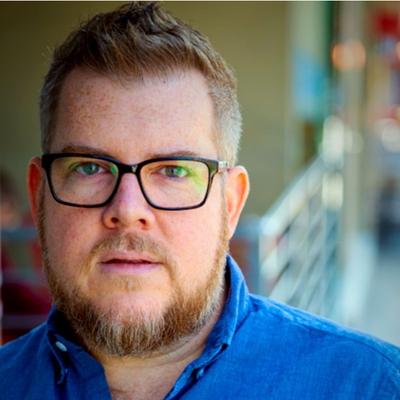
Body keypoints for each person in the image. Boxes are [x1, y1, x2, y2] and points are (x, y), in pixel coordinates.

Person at [0, 3, 399, 399]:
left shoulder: (372, 387)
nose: (128, 210)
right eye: (90, 168)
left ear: (230, 204)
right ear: (38, 197)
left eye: (174, 171)